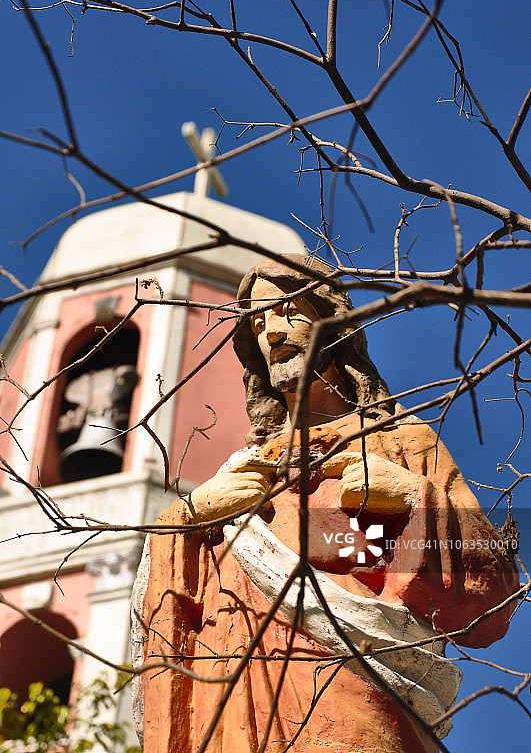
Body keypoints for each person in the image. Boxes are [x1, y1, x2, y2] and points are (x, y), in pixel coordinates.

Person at [132, 256, 519, 753]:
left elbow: (497, 595)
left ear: (332, 321)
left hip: (362, 695)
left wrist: (410, 498)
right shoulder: (243, 472)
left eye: (288, 310)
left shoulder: (400, 442)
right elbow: (170, 623)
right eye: (258, 321)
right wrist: (187, 518)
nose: (272, 332)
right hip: (235, 706)